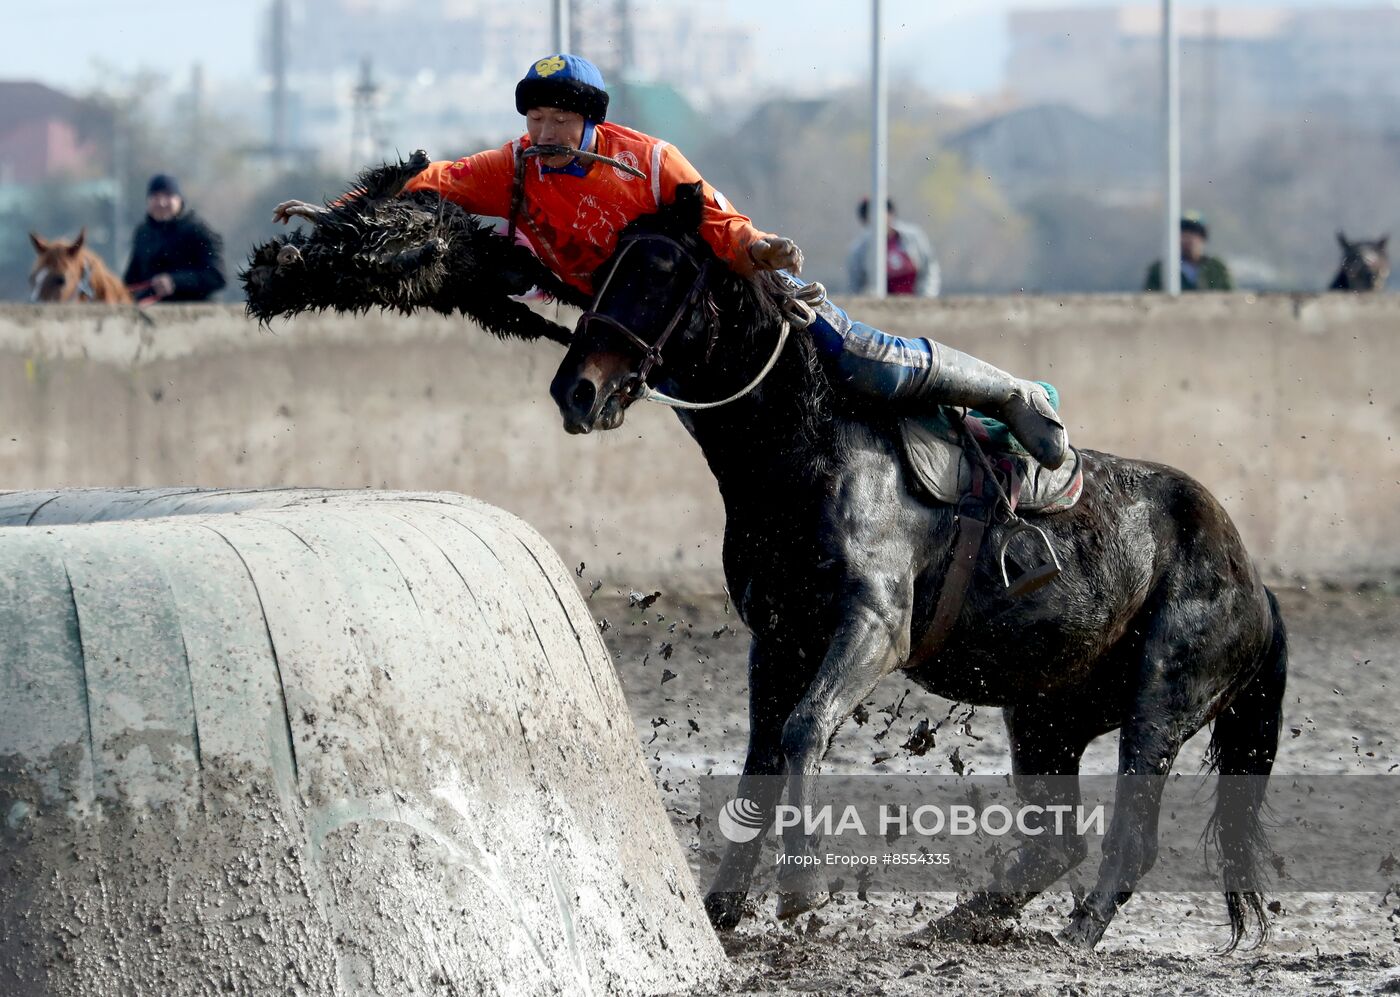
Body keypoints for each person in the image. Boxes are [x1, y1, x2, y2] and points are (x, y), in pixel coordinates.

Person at [273, 54, 1066, 467]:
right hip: (647, 324)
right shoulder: (512, 168)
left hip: (733, 293)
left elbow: (722, 223)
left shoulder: (650, 161)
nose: (544, 133)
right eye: (536, 119)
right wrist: (339, 218)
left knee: (862, 363)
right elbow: (429, 182)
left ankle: (1015, 394)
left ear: (592, 124)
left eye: (558, 121)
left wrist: (761, 252)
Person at [124, 174, 226, 302]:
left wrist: (175, 282)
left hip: (197, 315)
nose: (161, 203)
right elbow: (131, 280)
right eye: (155, 197)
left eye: (168, 196)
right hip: (150, 314)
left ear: (180, 200)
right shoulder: (143, 233)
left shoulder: (199, 231)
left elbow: (217, 276)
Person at [847, 198, 940, 297]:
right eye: (871, 217)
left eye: (880, 213)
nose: (877, 220)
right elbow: (856, 284)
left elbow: (929, 268)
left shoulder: (913, 238)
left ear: (890, 213)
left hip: (915, 301)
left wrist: (927, 295)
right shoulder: (859, 249)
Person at [1145, 213, 1233, 292]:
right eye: (1183, 233)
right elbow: (1149, 299)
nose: (1187, 238)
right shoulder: (1161, 269)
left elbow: (1231, 298)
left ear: (1203, 238)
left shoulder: (1217, 268)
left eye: (1194, 233)